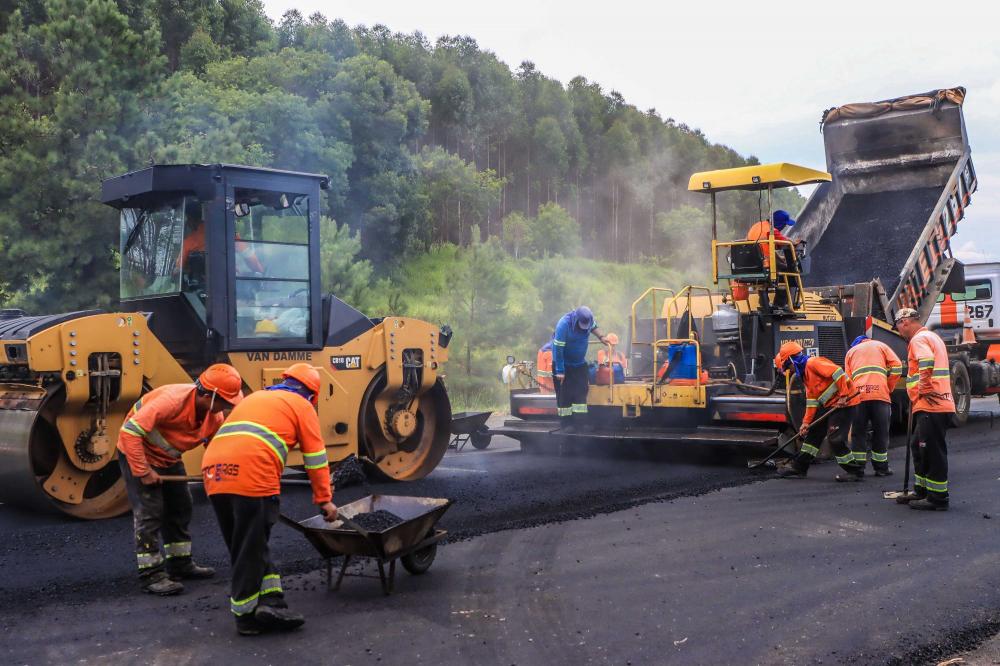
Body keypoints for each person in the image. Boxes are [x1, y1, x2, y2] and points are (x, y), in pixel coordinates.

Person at [202, 363, 338, 635]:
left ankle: (272, 602)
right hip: (251, 474)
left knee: (246, 544)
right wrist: (324, 499)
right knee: (250, 549)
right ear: (312, 394)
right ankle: (245, 617)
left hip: (213, 472)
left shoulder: (256, 397)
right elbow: (315, 457)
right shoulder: (302, 406)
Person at [118, 364, 245, 595]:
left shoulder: (214, 417)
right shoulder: (170, 402)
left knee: (181, 506)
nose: (227, 407)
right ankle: (151, 575)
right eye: (225, 402)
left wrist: (221, 474)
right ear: (208, 396)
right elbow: (129, 432)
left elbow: (216, 449)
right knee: (150, 512)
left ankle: (180, 564)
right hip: (138, 454)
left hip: (168, 458)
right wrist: (143, 471)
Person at [773, 342, 863, 481]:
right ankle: (799, 468)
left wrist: (844, 395)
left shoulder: (813, 363)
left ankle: (854, 471)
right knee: (813, 433)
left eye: (787, 367)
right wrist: (805, 423)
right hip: (830, 404)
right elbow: (812, 402)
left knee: (835, 439)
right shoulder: (806, 376)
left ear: (791, 360)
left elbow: (838, 372)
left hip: (845, 404)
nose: (789, 370)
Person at [894, 308, 955, 511]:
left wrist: (924, 387)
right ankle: (922, 490)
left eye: (898, 327)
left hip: (932, 405)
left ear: (905, 322)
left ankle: (938, 498)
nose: (899, 331)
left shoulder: (918, 340)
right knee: (918, 446)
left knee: (931, 451)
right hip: (933, 404)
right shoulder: (932, 337)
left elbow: (926, 360)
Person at [845, 334, 903, 476]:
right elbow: (897, 367)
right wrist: (889, 386)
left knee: (858, 432)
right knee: (881, 432)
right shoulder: (881, 346)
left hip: (859, 397)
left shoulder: (851, 352)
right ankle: (881, 468)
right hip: (880, 395)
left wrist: (849, 398)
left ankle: (858, 468)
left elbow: (847, 379)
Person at [552, 306, 609, 431]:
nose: (584, 327)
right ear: (576, 319)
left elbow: (594, 327)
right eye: (581, 324)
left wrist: (601, 337)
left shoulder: (588, 320)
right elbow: (558, 349)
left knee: (581, 392)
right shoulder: (564, 324)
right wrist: (560, 371)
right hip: (564, 365)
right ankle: (566, 424)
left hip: (579, 364)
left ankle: (580, 423)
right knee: (565, 395)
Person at [745, 210, 803, 310]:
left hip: (752, 264)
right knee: (788, 273)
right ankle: (779, 305)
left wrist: (781, 259)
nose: (784, 227)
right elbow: (786, 242)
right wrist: (794, 243)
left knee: (778, 270)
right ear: (779, 223)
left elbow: (765, 248)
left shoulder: (757, 226)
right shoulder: (771, 231)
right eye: (784, 225)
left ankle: (764, 303)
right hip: (765, 264)